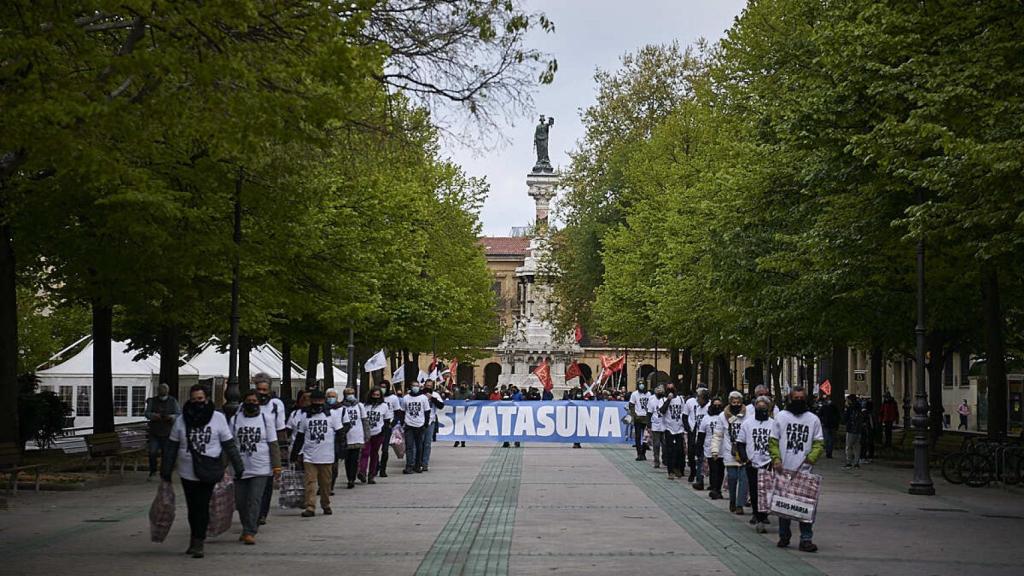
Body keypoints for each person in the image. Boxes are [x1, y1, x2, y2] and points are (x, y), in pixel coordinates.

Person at [160, 384, 243, 558]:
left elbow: (229, 444)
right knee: (192, 507)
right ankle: (195, 537)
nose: (197, 402)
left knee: (202, 505)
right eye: (194, 399)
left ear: (207, 399)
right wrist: (166, 470)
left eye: (201, 399)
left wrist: (238, 465)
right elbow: (171, 447)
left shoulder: (218, 418)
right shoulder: (182, 420)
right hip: (187, 471)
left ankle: (199, 541)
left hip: (208, 470)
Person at [769, 386, 824, 552]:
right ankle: (784, 536)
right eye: (796, 398)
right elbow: (773, 441)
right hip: (783, 469)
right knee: (783, 505)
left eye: (801, 398)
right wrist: (776, 459)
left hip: (804, 470)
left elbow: (818, 442)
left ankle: (806, 539)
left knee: (805, 507)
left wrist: (812, 457)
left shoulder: (813, 419)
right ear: (790, 399)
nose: (798, 401)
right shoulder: (781, 417)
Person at [230, 389, 282, 545]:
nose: (251, 403)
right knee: (240, 502)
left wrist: (277, 466)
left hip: (261, 467)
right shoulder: (235, 420)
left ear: (259, 403)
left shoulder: (266, 420)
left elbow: (273, 444)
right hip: (240, 467)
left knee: (254, 500)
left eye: (254, 401)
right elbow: (229, 444)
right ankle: (247, 525)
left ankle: (250, 531)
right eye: (249, 400)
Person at [290, 389, 345, 517]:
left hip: (327, 456)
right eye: (314, 400)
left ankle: (325, 504)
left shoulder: (331, 415)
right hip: (309, 456)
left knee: (325, 483)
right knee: (310, 482)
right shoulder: (305, 416)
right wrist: (295, 454)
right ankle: (310, 506)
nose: (317, 403)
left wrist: (341, 451)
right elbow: (300, 436)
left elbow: (340, 434)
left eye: (319, 400)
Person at [253, 373, 287, 526]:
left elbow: (280, 429)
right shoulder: (249, 402)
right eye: (258, 389)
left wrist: (281, 454)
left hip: (269, 448)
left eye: (264, 390)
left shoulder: (275, 405)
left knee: (266, 484)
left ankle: (261, 513)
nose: (261, 393)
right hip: (251, 447)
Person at [737, 395, 774, 533]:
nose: (762, 409)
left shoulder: (773, 424)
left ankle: (764, 514)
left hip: (768, 462)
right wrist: (745, 459)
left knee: (766, 490)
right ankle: (756, 513)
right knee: (753, 489)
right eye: (759, 407)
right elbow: (740, 443)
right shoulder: (747, 423)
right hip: (752, 462)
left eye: (764, 407)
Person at [714, 391, 747, 514]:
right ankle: (732, 500)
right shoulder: (723, 416)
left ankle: (740, 504)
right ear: (729, 402)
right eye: (734, 402)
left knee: (744, 479)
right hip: (730, 451)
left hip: (744, 452)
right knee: (732, 478)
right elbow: (718, 434)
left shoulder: (748, 415)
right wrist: (715, 450)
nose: (736, 404)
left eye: (738, 402)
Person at [144, 383, 180, 481]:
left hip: (167, 431)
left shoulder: (172, 401)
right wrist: (153, 416)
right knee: (152, 452)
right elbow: (146, 413)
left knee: (166, 454)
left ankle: (164, 472)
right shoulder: (152, 401)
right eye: (160, 389)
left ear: (167, 391)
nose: (162, 390)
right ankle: (153, 471)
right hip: (154, 431)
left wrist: (171, 417)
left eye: (164, 389)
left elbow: (178, 414)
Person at [360, 387, 392, 484]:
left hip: (378, 433)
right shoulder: (364, 406)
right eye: (374, 395)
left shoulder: (384, 406)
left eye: (378, 395)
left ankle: (372, 475)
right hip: (366, 433)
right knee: (365, 453)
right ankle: (362, 472)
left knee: (374, 454)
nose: (375, 397)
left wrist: (383, 431)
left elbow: (387, 420)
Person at [338, 387, 368, 489]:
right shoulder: (341, 407)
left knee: (355, 459)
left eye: (352, 393)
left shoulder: (360, 406)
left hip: (357, 436)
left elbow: (364, 421)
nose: (350, 395)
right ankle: (349, 477)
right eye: (348, 393)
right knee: (347, 459)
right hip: (346, 437)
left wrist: (366, 434)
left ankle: (352, 479)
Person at [697, 397, 725, 499]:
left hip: (722, 447)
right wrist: (698, 447)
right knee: (714, 469)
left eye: (719, 405)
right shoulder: (706, 418)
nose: (717, 407)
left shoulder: (723, 417)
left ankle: (718, 489)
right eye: (715, 405)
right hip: (709, 448)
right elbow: (701, 434)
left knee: (721, 470)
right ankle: (714, 488)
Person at [401, 383, 432, 473]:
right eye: (413, 385)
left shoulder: (423, 398)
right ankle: (409, 465)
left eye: (417, 386)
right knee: (409, 446)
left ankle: (418, 465)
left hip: (420, 425)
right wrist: (403, 423)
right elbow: (402, 411)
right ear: (411, 387)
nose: (415, 387)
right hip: (409, 425)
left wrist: (425, 424)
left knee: (419, 447)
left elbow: (427, 412)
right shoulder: (406, 398)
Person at [659, 385, 687, 478]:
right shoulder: (663, 400)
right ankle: (670, 471)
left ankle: (678, 468)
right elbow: (662, 411)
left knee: (679, 450)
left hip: (679, 428)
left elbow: (684, 412)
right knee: (669, 451)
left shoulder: (681, 399)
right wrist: (668, 400)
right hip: (669, 428)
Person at [380, 380, 402, 477]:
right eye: (381, 386)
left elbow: (398, 413)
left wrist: (392, 424)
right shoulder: (377, 397)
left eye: (384, 386)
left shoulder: (393, 398)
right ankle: (376, 466)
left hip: (387, 425)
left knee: (385, 449)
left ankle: (382, 469)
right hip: (377, 425)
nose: (382, 389)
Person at [688, 388, 709, 487]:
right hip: (699, 435)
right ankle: (699, 480)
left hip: (709, 437)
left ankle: (713, 483)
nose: (697, 400)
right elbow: (697, 422)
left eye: (699, 398)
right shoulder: (698, 408)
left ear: (704, 398)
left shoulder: (709, 407)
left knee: (711, 461)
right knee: (699, 458)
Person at [422, 380, 445, 468]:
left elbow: (441, 406)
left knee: (427, 443)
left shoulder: (435, 395)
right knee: (420, 443)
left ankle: (425, 463)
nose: (428, 387)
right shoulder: (420, 394)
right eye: (427, 385)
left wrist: (432, 398)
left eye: (430, 386)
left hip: (430, 421)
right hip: (419, 422)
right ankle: (417, 461)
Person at [628, 382, 652, 461]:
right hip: (638, 418)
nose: (641, 385)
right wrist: (634, 415)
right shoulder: (634, 394)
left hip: (646, 417)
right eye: (640, 384)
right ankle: (639, 453)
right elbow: (631, 405)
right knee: (638, 436)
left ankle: (643, 453)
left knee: (646, 437)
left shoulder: (649, 394)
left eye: (643, 384)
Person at [815, 393, 839, 458]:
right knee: (830, 440)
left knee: (827, 439)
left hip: (826, 425)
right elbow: (837, 416)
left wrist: (822, 421)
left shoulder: (824, 407)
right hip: (832, 425)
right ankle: (829, 453)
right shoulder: (834, 407)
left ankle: (828, 452)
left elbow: (819, 415)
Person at [843, 394, 863, 470]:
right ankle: (856, 462)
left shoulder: (849, 408)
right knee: (857, 446)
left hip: (851, 429)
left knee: (849, 446)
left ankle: (849, 462)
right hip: (858, 429)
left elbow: (845, 418)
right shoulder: (859, 407)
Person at [648, 386, 666, 468]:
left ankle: (665, 459)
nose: (660, 392)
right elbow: (649, 413)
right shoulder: (652, 400)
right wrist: (649, 425)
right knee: (656, 444)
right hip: (655, 425)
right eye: (658, 391)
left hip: (665, 425)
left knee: (665, 444)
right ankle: (656, 461)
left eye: (661, 391)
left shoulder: (665, 400)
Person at [860, 398, 875, 463]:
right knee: (865, 444)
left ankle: (866, 457)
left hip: (868, 431)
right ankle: (864, 457)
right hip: (867, 431)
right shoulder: (866, 414)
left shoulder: (868, 414)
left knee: (867, 444)